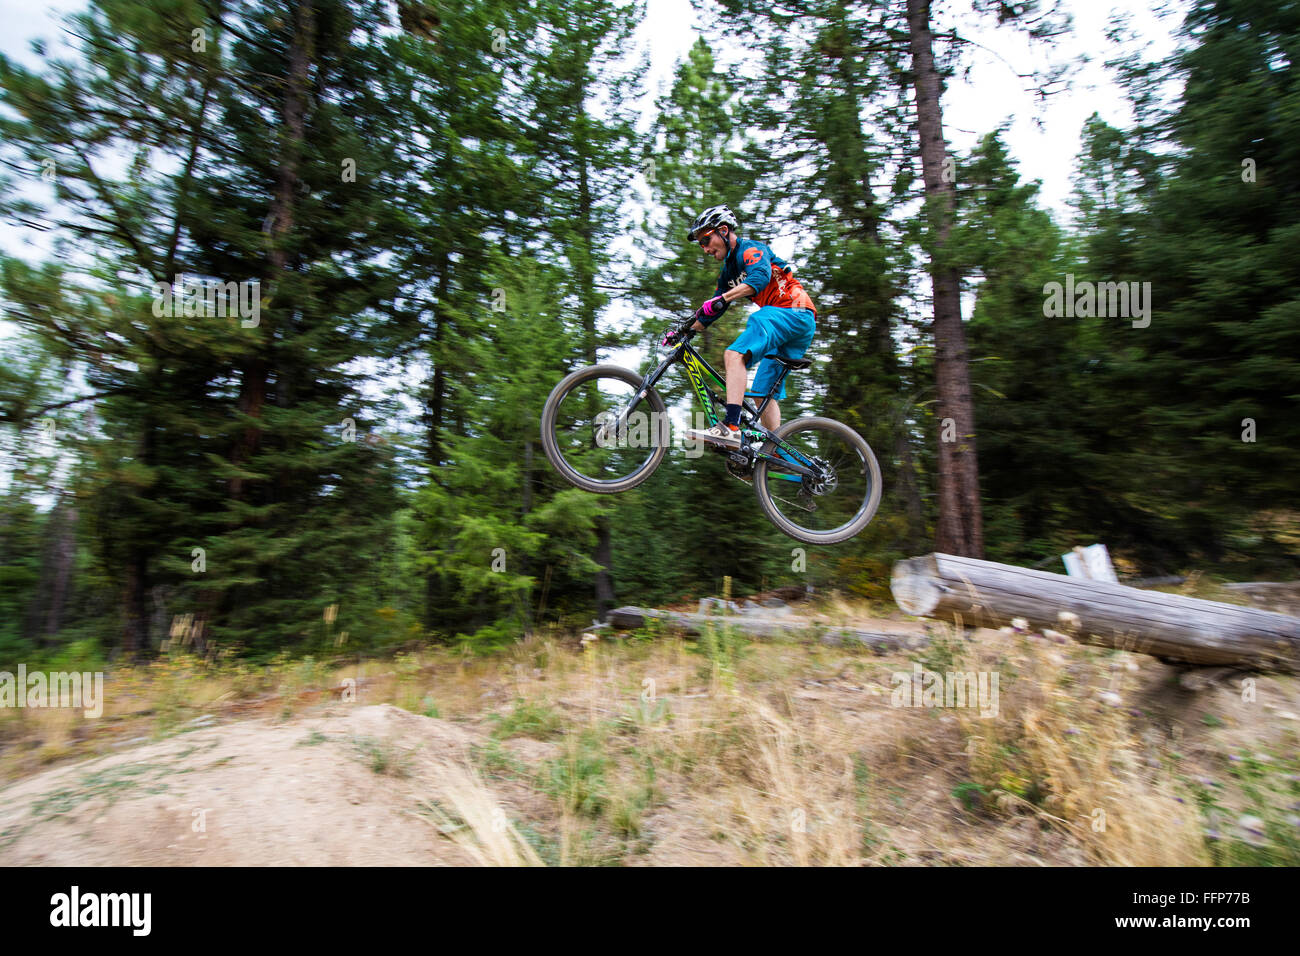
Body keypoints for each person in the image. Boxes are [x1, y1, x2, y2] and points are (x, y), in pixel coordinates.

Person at [681, 204, 816, 448]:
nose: (705, 249)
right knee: (762, 394)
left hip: (792, 311)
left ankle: (731, 427)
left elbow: (759, 278)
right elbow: (713, 310)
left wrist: (722, 298)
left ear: (723, 231)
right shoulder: (728, 273)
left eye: (706, 240)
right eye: (701, 244)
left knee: (735, 353)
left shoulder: (750, 250)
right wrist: (686, 331)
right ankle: (775, 456)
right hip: (792, 325)